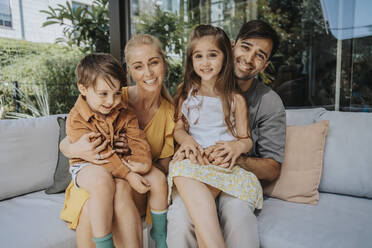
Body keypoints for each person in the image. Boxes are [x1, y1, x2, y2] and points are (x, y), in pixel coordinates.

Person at [167, 20, 286, 248]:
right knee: (181, 219)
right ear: (232, 47)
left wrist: (236, 152)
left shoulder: (262, 102)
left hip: (230, 171)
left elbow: (271, 166)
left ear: (265, 64)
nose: (249, 58)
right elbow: (178, 127)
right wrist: (187, 142)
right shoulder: (188, 92)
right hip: (197, 166)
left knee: (238, 216)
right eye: (246, 47)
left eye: (259, 55)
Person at [60, 49, 172, 248]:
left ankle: (160, 236)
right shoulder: (78, 116)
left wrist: (142, 163)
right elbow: (99, 154)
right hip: (88, 166)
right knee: (102, 182)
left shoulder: (123, 108)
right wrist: (129, 174)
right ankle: (104, 243)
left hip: (119, 165)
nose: (111, 101)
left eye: (116, 94)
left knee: (155, 178)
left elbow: (138, 139)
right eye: (103, 94)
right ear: (83, 89)